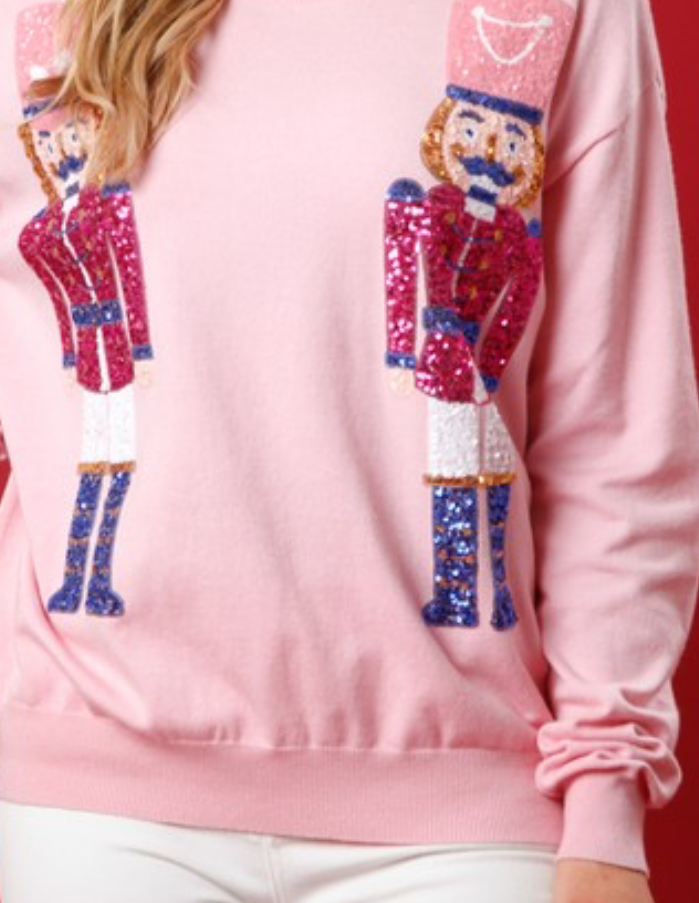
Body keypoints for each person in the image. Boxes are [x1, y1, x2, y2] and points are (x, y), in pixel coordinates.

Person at [0, 1, 697, 902]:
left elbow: (614, 431)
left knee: (463, 483)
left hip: (463, 802)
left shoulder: (550, 16)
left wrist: (606, 795)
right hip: (89, 788)